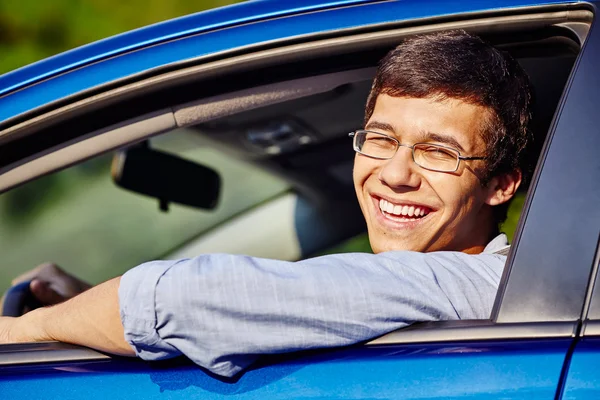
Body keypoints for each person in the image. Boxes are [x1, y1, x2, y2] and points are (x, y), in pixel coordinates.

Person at [0, 30, 532, 378]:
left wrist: (26, 331)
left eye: (439, 153)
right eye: (381, 139)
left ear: (501, 185)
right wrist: (81, 307)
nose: (394, 174)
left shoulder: (480, 284)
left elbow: (190, 299)